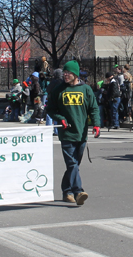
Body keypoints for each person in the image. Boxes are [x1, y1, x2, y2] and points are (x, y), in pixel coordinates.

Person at [46, 60, 101, 205]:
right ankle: (78, 191)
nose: (65, 75)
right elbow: (50, 109)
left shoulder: (86, 90)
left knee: (74, 165)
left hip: (81, 133)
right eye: (64, 72)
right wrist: (60, 118)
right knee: (72, 164)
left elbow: (94, 108)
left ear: (76, 74)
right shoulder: (59, 90)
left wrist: (96, 124)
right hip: (66, 134)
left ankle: (66, 191)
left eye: (68, 72)